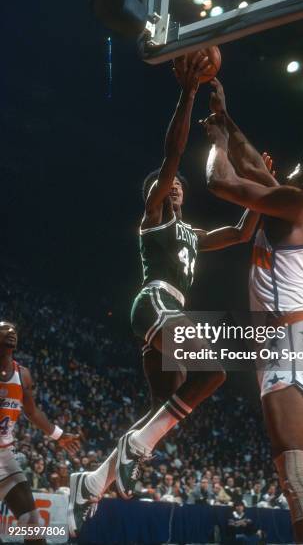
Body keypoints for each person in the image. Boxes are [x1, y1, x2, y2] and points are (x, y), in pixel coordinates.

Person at [68, 54, 259, 536]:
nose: (169, 188)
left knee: (162, 409)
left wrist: (258, 185)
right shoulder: (153, 220)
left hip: (169, 312)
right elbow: (172, 157)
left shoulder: (192, 232)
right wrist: (189, 92)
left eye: (174, 188)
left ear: (182, 196)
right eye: (162, 185)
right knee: (215, 370)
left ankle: (91, 482)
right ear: (157, 192)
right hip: (155, 301)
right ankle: (137, 445)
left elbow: (240, 232)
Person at [203, 79, 303, 544]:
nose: (284, 171)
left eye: (294, 168)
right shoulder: (301, 210)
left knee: (301, 478)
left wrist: (217, 143)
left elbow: (220, 181)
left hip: (291, 342)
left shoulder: (299, 204)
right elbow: (255, 167)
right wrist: (227, 117)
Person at [0, 321, 79, 543]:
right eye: (5, 328)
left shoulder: (22, 374)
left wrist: (59, 435)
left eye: (15, 330)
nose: (11, 332)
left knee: (33, 522)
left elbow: (33, 413)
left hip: (5, 458)